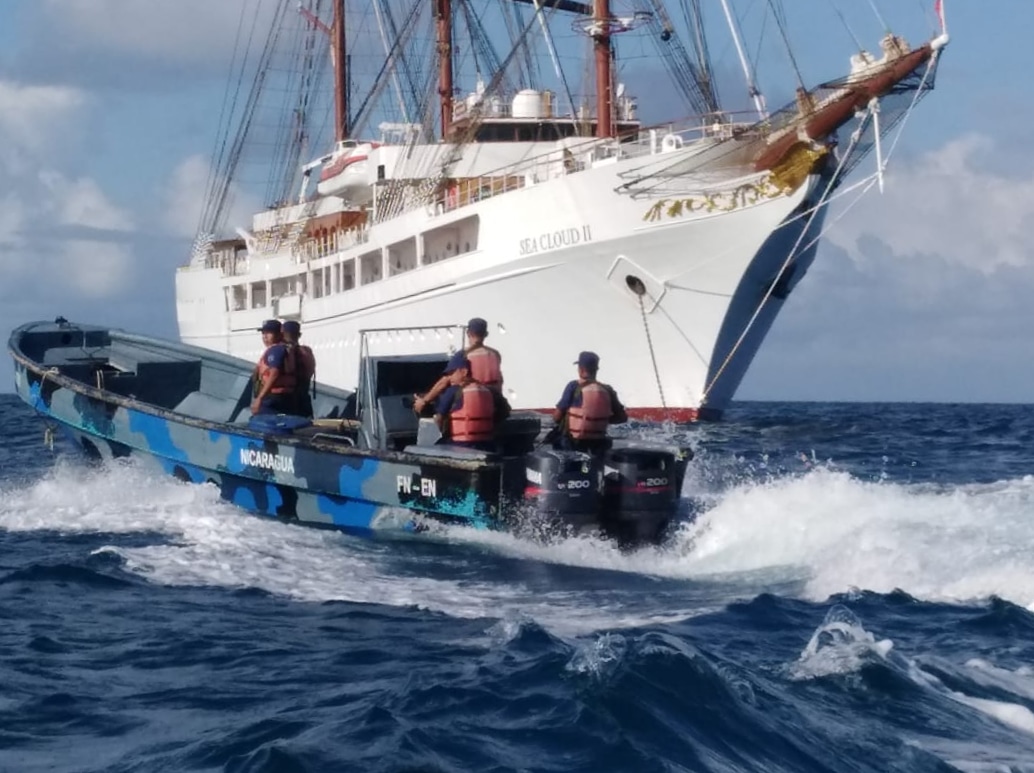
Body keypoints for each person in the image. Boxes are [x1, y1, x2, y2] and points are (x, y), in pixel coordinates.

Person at [413, 317, 504, 414]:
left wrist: (424, 400)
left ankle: (439, 420)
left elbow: (443, 383)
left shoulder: (463, 354)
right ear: (486, 334)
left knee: (451, 391)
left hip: (470, 402)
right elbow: (500, 380)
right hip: (493, 402)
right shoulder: (495, 354)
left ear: (468, 333)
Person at [552, 351, 627, 454]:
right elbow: (622, 418)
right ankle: (588, 469)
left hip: (573, 443)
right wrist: (599, 419)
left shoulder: (573, 386)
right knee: (591, 463)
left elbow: (557, 417)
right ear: (596, 369)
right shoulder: (608, 389)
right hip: (597, 444)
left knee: (556, 440)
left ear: (581, 369)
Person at [434, 351, 510, 451]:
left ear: (464, 371)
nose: (450, 377)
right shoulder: (490, 391)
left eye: (452, 372)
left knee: (437, 445)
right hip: (487, 444)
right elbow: (505, 411)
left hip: (460, 444)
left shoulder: (453, 391)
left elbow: (439, 418)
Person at [250, 319, 297, 415]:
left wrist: (260, 398)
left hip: (273, 397)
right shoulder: (284, 348)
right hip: (286, 397)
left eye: (269, 333)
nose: (265, 337)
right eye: (263, 333)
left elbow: (274, 373)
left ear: (279, 335)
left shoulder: (276, 350)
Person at [282, 320, 316, 418]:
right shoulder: (307, 351)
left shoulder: (285, 351)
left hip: (289, 398)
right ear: (299, 335)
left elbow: (288, 370)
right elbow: (311, 371)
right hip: (304, 396)